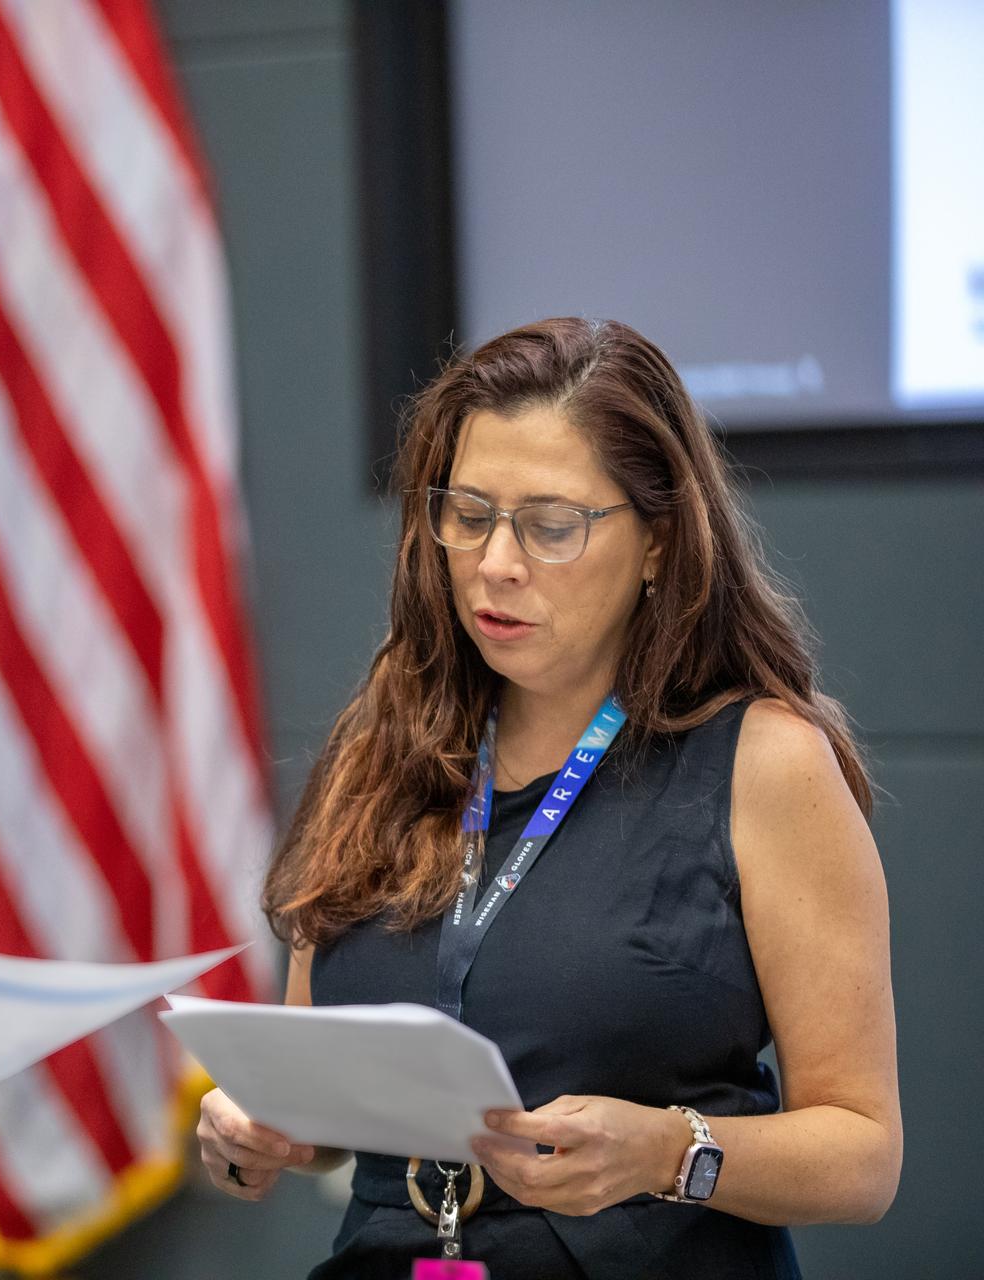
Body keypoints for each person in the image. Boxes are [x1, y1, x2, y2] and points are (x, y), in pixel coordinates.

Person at [195, 318, 900, 1277]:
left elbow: (863, 1156)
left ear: (658, 542)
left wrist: (668, 1153)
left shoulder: (765, 761)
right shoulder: (383, 739)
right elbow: (321, 1105)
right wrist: (262, 1127)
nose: (496, 563)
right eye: (470, 514)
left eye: (551, 526)